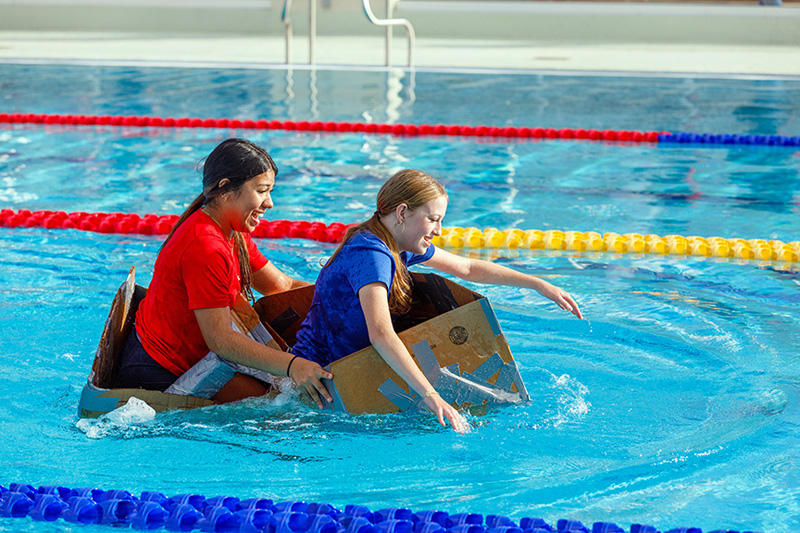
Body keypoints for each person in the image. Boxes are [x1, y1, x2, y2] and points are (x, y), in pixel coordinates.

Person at [291, 169, 583, 433]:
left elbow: (467, 268)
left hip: (348, 369)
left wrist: (537, 283)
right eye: (433, 219)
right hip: (317, 384)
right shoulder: (372, 256)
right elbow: (381, 334)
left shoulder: (394, 243)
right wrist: (431, 395)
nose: (439, 230)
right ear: (402, 212)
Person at [114, 138, 333, 407]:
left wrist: (343, 297)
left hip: (198, 353)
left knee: (289, 394)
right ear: (226, 189)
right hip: (160, 370)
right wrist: (293, 365)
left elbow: (282, 286)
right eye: (262, 191)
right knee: (282, 408)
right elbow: (221, 341)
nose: (270, 203)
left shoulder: (231, 232)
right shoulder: (205, 245)